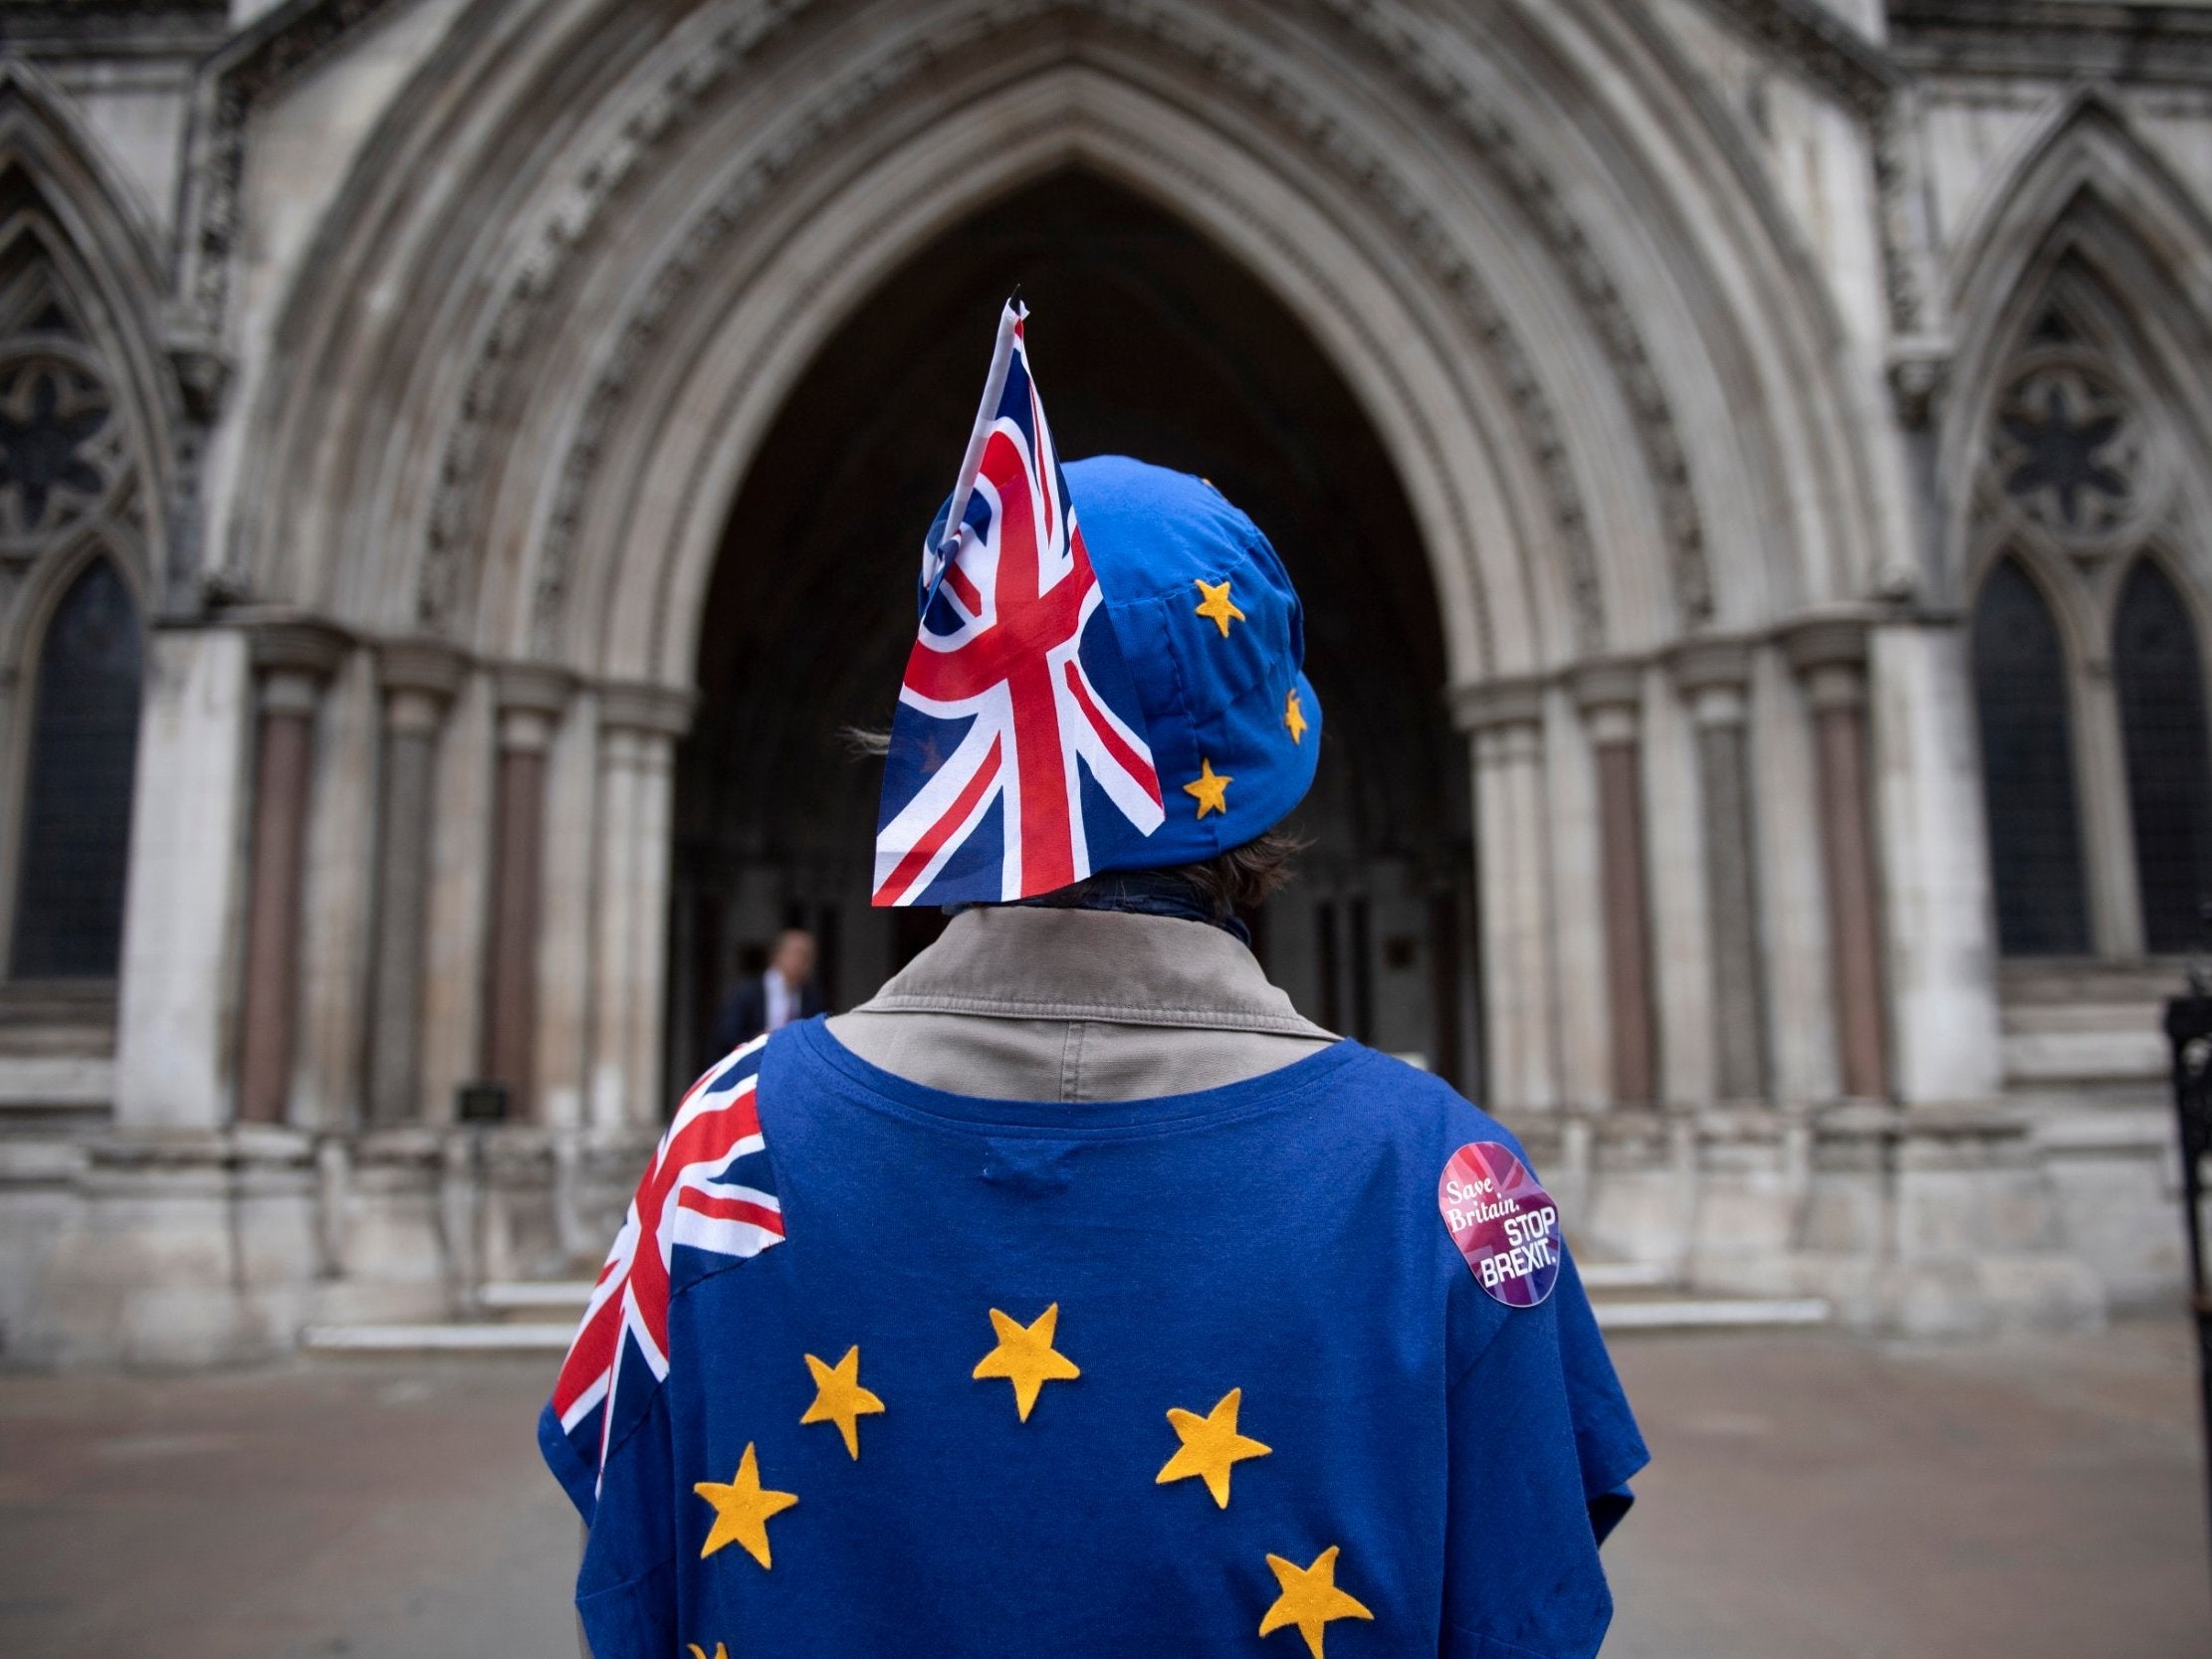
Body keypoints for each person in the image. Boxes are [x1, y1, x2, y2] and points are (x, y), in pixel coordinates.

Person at [541, 305, 1645, 1659]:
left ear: (944, 735)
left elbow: (626, 1574)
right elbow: (1526, 1614)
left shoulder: (726, 1146)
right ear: (1271, 785)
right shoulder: (1445, 1183)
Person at [712, 927, 825, 1054]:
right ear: (778, 954)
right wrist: (758, 1041)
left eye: (809, 956)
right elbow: (727, 1035)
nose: (803, 962)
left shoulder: (812, 998)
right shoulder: (748, 992)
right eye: (798, 953)